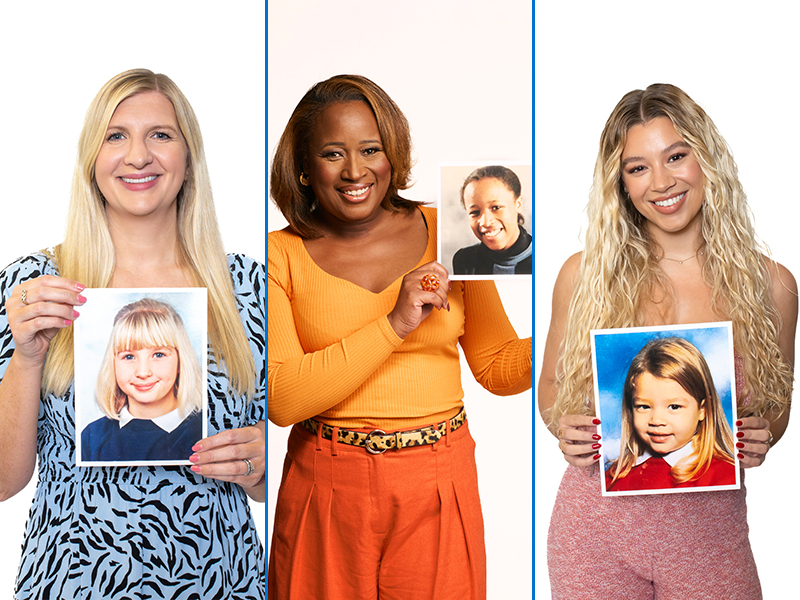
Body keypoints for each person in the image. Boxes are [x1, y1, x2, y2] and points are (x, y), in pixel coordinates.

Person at [0, 69, 265, 599]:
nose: (138, 156)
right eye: (115, 135)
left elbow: (292, 458)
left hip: (220, 581)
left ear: (189, 160)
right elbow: (3, 481)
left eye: (160, 135)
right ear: (91, 160)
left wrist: (263, 463)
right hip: (72, 583)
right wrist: (27, 359)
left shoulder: (250, 286)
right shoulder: (34, 287)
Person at [268, 74, 532, 600]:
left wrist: (570, 325)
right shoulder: (280, 255)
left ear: (394, 154)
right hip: (324, 484)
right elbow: (283, 398)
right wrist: (395, 323)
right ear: (302, 166)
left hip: (438, 482)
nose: (355, 170)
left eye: (371, 149)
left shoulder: (453, 232)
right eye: (331, 153)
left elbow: (499, 365)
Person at [538, 84, 796, 599]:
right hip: (595, 538)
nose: (661, 182)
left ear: (707, 160)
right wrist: (562, 427)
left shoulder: (772, 285)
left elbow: (780, 409)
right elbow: (551, 390)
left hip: (711, 542)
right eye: (637, 167)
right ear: (621, 184)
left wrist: (763, 432)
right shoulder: (584, 276)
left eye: (676, 156)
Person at [604, 337, 736, 492]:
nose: (657, 420)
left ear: (703, 410)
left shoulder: (726, 477)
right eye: (644, 406)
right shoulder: (612, 479)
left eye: (674, 407)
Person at [81, 298, 204, 462]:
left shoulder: (204, 429)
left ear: (181, 361)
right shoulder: (92, 437)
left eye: (158, 355)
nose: (143, 372)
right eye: (129, 356)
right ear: (113, 364)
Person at [452, 165, 532, 275]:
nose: (485, 222)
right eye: (475, 212)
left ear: (518, 204)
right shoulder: (464, 260)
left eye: (496, 207)